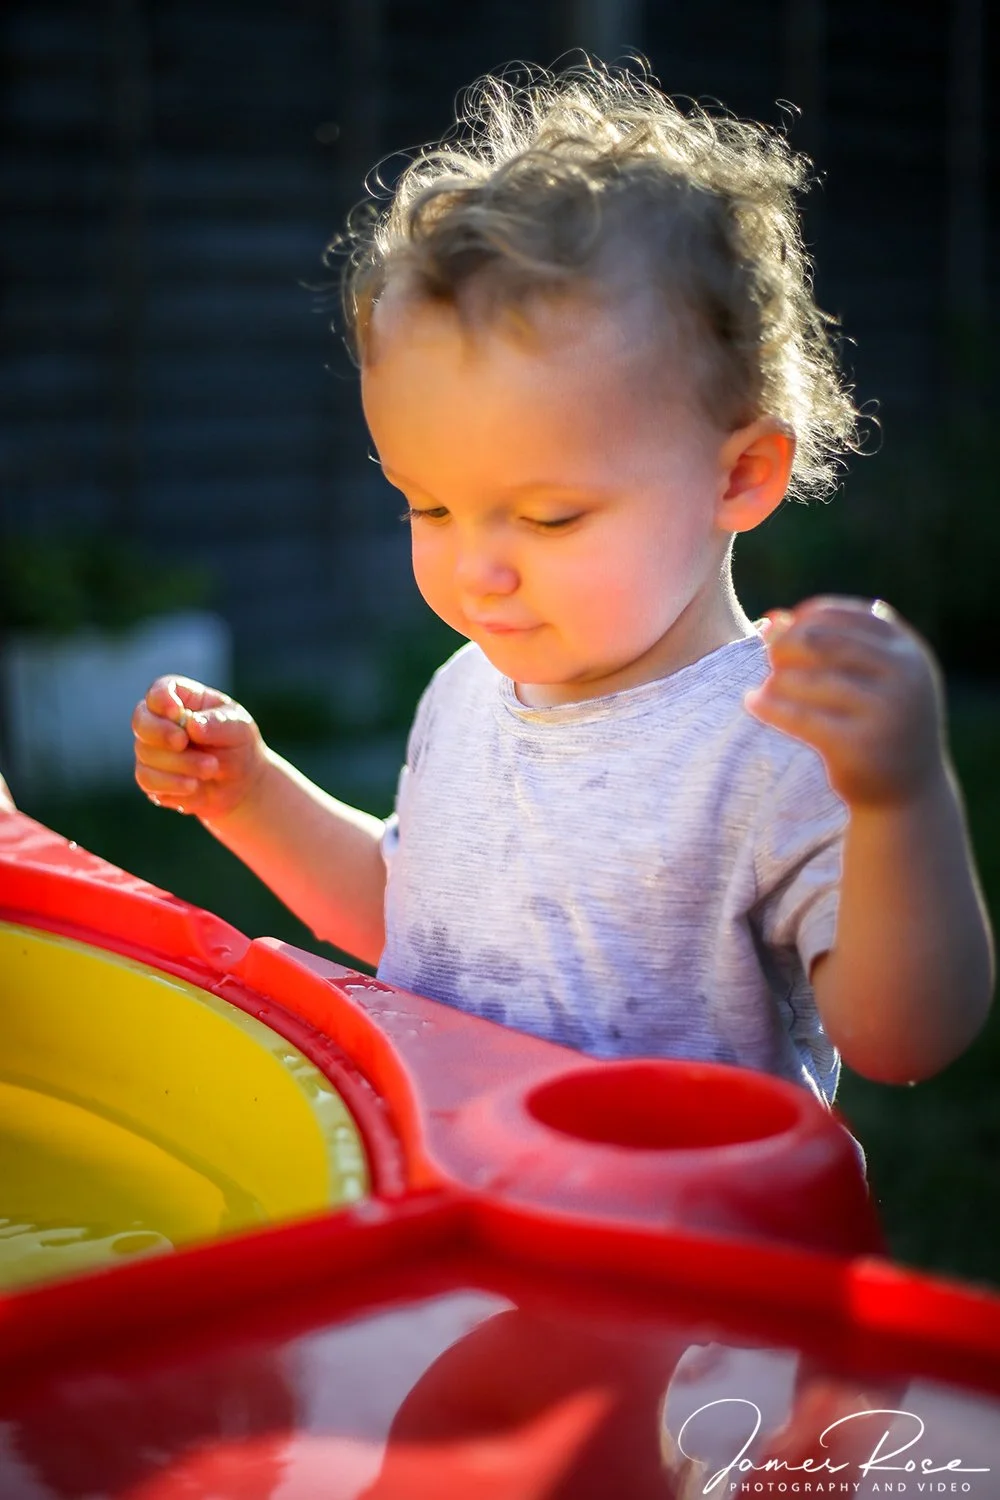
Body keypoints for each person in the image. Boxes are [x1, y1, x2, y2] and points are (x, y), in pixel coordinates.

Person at [133, 57, 993, 1143]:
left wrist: (899, 804)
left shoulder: (776, 741)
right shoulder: (471, 685)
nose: (477, 570)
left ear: (737, 477)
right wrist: (250, 794)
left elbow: (900, 1039)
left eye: (546, 519)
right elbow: (417, 920)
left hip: (671, 1266)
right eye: (429, 507)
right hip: (460, 1210)